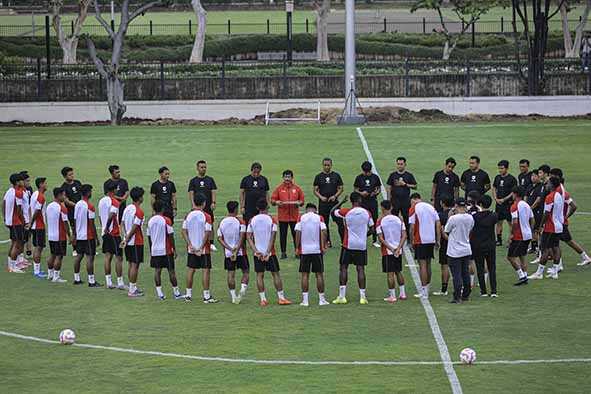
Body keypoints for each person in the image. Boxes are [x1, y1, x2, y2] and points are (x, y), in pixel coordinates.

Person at [246, 198, 292, 306]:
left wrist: (256, 251)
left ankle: (263, 299)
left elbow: (248, 237)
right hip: (270, 253)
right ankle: (281, 298)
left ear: (257, 208)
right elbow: (273, 237)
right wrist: (267, 252)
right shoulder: (272, 219)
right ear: (267, 207)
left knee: (259, 275)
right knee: (275, 274)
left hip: (257, 253)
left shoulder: (252, 220)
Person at [332, 192, 375, 305]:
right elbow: (372, 229)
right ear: (360, 200)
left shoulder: (346, 212)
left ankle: (342, 296)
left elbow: (332, 212)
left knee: (344, 268)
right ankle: (362, 297)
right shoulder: (367, 213)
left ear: (351, 201)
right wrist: (364, 236)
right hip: (361, 245)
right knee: (360, 269)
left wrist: (341, 202)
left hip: (348, 244)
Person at [182, 193, 218, 304]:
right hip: (204, 250)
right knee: (205, 271)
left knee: (191, 270)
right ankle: (206, 296)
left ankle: (188, 295)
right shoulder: (207, 216)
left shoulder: (188, 215)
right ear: (204, 203)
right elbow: (207, 233)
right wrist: (200, 247)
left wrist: (191, 245)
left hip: (191, 249)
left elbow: (183, 231)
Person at [147, 200, 184, 300]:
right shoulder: (166, 220)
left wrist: (151, 250)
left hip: (155, 250)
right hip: (166, 250)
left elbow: (149, 237)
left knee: (157, 271)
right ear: (162, 209)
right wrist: (174, 249)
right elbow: (171, 235)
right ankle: (176, 293)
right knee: (171, 271)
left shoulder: (150, 221)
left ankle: (160, 294)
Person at [529, 177, 564, 280]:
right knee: (556, 247)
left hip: (550, 227)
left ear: (552, 185)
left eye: (548, 183)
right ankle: (555, 271)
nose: (546, 185)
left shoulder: (549, 197)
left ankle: (539, 273)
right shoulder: (559, 195)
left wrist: (540, 225)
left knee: (545, 249)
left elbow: (546, 213)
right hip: (558, 226)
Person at [295, 203, 329, 307]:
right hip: (316, 250)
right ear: (315, 209)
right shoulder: (319, 218)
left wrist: (297, 247)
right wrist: (323, 246)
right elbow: (324, 231)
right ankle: (321, 299)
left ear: (306, 210)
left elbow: (297, 232)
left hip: (305, 250)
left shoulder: (301, 217)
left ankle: (305, 301)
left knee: (305, 275)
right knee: (319, 274)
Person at [408, 193, 441, 299]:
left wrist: (412, 240)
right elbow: (438, 223)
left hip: (420, 239)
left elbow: (412, 227)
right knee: (428, 264)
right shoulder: (431, 207)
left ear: (413, 200)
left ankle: (424, 291)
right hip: (430, 239)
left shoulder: (414, 208)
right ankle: (427, 287)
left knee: (422, 265)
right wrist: (437, 239)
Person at [217, 200, 249, 304]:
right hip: (240, 252)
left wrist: (230, 249)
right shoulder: (240, 222)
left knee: (231, 274)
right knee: (246, 272)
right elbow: (242, 236)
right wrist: (236, 249)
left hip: (228, 253)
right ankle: (242, 290)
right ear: (236, 209)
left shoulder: (222, 222)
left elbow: (219, 238)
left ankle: (233, 296)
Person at [443, 198, 474, 304]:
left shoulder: (453, 218)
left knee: (456, 275)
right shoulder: (470, 218)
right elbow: (470, 229)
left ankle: (457, 296)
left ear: (456, 206)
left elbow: (446, 230)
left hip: (454, 251)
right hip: (466, 249)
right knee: (465, 273)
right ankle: (466, 294)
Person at [376, 200, 407, 303]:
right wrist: (398, 248)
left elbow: (381, 238)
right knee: (398, 271)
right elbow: (404, 235)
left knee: (390, 273)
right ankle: (402, 294)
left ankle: (392, 295)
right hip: (398, 250)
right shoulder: (399, 219)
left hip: (388, 251)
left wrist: (391, 248)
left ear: (383, 208)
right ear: (391, 207)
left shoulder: (380, 221)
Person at [271, 170, 304, 259]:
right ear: (283, 178)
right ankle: (283, 253)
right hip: (283, 217)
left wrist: (299, 203)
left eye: (289, 177)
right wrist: (276, 202)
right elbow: (272, 200)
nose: (287, 179)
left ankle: (297, 251)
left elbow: (302, 200)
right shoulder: (279, 188)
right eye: (285, 177)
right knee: (283, 235)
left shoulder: (297, 188)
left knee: (296, 235)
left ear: (292, 178)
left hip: (294, 217)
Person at [99, 181, 126, 290]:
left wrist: (103, 228)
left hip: (105, 233)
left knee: (107, 256)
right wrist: (107, 227)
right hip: (113, 233)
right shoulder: (114, 201)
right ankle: (120, 283)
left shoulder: (101, 201)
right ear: (114, 190)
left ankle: (109, 282)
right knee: (119, 258)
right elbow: (112, 215)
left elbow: (101, 217)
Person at [73, 184, 102, 287]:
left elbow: (75, 220)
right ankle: (91, 281)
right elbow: (91, 223)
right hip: (88, 236)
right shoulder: (90, 206)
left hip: (80, 235)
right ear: (88, 193)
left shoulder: (77, 204)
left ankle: (76, 278)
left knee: (78, 256)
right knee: (90, 258)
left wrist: (75, 235)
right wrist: (96, 238)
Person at [120, 187, 146, 297]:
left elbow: (121, 223)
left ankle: (132, 287)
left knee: (131, 264)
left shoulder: (127, 208)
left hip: (128, 241)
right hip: (136, 242)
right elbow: (135, 227)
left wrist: (124, 237)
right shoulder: (139, 211)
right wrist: (127, 238)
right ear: (140, 198)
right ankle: (132, 290)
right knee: (135, 265)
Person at [313, 158, 344, 247]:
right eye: (325, 165)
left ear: (331, 165)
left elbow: (341, 188)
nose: (326, 167)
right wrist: (321, 197)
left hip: (335, 203)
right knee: (324, 223)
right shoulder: (318, 177)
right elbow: (315, 190)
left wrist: (335, 196)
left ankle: (343, 241)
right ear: (322, 165)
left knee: (340, 222)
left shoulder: (336, 175)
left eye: (328, 165)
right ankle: (327, 241)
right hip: (323, 204)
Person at [471, 195, 498, 296]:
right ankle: (494, 291)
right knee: (492, 268)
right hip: (490, 244)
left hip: (478, 245)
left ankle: (483, 291)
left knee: (480, 268)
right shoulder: (494, 215)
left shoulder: (475, 217)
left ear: (480, 204)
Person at [188, 160, 218, 251]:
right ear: (197, 168)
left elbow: (213, 191)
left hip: (208, 206)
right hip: (197, 207)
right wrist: (193, 205)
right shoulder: (193, 181)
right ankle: (196, 241)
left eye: (205, 167)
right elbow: (191, 193)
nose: (203, 169)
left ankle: (211, 243)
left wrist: (213, 202)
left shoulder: (210, 180)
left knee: (210, 223)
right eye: (201, 167)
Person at [507, 187, 534, 286]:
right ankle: (525, 276)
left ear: (515, 194)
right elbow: (532, 219)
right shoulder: (526, 205)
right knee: (522, 256)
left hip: (519, 236)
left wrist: (511, 234)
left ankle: (521, 276)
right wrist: (530, 230)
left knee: (510, 257)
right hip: (527, 235)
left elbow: (514, 222)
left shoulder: (514, 206)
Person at [46, 187, 72, 283]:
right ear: (59, 195)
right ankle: (56, 277)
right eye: (64, 195)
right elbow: (65, 223)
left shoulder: (49, 206)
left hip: (51, 235)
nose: (65, 197)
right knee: (59, 256)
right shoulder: (62, 208)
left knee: (52, 254)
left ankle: (50, 274)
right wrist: (69, 236)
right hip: (60, 236)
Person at [3, 173, 26, 273]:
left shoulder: (9, 191)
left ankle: (11, 265)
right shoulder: (18, 193)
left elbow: (2, 204)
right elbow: (19, 209)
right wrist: (24, 221)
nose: (23, 182)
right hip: (16, 221)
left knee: (13, 243)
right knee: (17, 243)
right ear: (17, 182)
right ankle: (13, 266)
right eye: (21, 180)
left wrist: (5, 217)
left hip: (10, 221)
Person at [353, 161, 381, 246]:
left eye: (368, 172)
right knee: (362, 220)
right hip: (362, 202)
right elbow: (355, 189)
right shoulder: (359, 178)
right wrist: (361, 193)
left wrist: (375, 193)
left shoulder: (375, 177)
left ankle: (374, 240)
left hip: (372, 201)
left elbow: (379, 188)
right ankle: (362, 238)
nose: (366, 173)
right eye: (365, 172)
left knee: (375, 219)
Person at [387, 157, 417, 234]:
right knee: (393, 218)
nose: (400, 166)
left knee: (407, 219)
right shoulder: (392, 175)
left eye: (401, 164)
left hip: (405, 201)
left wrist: (405, 184)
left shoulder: (409, 175)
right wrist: (389, 200)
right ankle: (394, 234)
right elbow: (389, 187)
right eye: (398, 164)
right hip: (395, 200)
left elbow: (415, 186)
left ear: (405, 165)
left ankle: (408, 236)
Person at [492, 160, 517, 246]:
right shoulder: (497, 177)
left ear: (507, 168)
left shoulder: (512, 179)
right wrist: (496, 198)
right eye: (499, 168)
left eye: (502, 168)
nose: (500, 170)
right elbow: (494, 188)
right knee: (498, 222)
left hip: (508, 204)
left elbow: (513, 192)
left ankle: (511, 240)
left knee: (510, 223)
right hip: (499, 204)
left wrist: (504, 199)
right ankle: (499, 240)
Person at [433, 195, 454, 296]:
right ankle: (462, 287)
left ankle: (444, 289)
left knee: (445, 266)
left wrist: (437, 241)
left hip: (445, 243)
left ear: (442, 203)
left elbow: (438, 229)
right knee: (459, 266)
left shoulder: (440, 215)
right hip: (457, 242)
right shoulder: (456, 215)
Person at [60, 166, 82, 256]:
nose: (72, 176)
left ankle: (83, 247)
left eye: (72, 174)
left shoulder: (77, 183)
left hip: (81, 210)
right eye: (70, 175)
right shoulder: (64, 187)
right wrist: (77, 205)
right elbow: (66, 200)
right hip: (72, 211)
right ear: (65, 176)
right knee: (74, 229)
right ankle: (75, 249)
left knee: (83, 228)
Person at [30, 177, 48, 278]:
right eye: (45, 183)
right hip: (38, 225)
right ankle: (36, 271)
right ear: (41, 184)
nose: (46, 185)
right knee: (38, 247)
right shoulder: (40, 197)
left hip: (35, 225)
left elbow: (30, 208)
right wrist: (31, 222)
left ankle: (36, 269)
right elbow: (37, 211)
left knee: (37, 247)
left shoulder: (34, 194)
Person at [526, 170, 545, 254]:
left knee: (537, 229)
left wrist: (531, 208)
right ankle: (533, 247)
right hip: (529, 210)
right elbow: (526, 196)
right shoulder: (530, 186)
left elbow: (538, 199)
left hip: (536, 211)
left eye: (535, 176)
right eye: (532, 176)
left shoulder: (541, 186)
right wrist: (526, 206)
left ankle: (538, 247)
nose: (533, 177)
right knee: (532, 229)